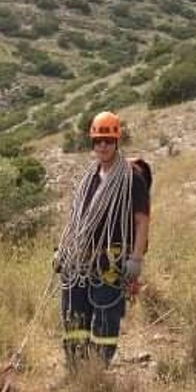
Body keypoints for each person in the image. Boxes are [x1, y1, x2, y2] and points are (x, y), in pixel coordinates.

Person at [54, 110, 150, 367]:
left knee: (106, 317)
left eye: (108, 140)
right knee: (73, 315)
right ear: (92, 143)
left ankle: (97, 372)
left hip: (111, 262)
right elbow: (77, 218)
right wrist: (63, 250)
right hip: (80, 261)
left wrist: (136, 260)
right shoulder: (89, 178)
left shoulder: (132, 178)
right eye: (98, 141)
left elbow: (142, 221)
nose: (103, 146)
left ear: (117, 141)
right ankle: (75, 370)